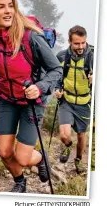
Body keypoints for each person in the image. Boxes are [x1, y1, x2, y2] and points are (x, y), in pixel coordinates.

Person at [0, 0, 62, 193]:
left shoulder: (31, 38)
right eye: (1, 7)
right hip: (7, 99)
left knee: (22, 157)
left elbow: (56, 69)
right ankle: (20, 181)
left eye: (11, 6)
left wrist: (40, 87)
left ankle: (41, 157)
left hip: (31, 102)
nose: (8, 11)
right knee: (4, 152)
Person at [53, 25, 94, 174]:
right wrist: (57, 89)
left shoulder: (93, 57)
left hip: (84, 103)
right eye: (77, 43)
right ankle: (68, 147)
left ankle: (77, 161)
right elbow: (57, 76)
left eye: (83, 42)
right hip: (67, 101)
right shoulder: (62, 56)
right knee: (64, 135)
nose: (81, 46)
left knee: (81, 136)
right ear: (70, 42)